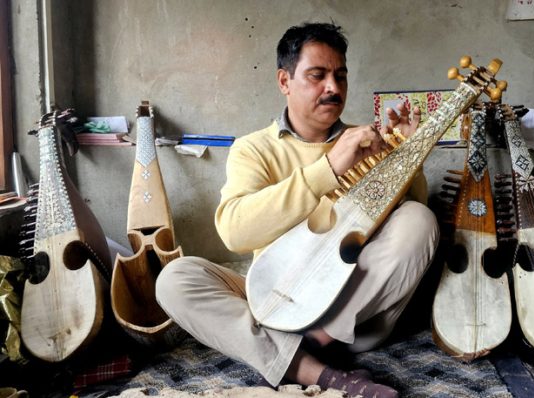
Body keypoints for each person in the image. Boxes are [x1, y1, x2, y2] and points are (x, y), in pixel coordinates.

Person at [156, 22, 439, 398]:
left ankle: (303, 348)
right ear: (284, 81)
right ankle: (320, 372)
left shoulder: (368, 140)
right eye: (317, 75)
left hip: (350, 310)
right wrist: (330, 168)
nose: (333, 88)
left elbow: (409, 233)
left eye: (340, 76)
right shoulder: (253, 148)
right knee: (175, 278)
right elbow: (235, 232)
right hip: (274, 301)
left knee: (419, 219)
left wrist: (408, 155)